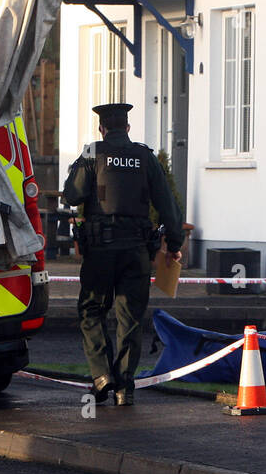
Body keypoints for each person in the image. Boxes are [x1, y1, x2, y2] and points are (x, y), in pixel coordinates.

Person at [62, 103, 184, 406]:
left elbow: (73, 194)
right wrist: (175, 242)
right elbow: (167, 204)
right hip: (137, 250)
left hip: (101, 249)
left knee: (92, 310)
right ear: (127, 128)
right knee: (129, 318)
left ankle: (102, 376)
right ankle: (124, 389)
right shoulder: (145, 156)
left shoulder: (93, 153)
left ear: (102, 129)